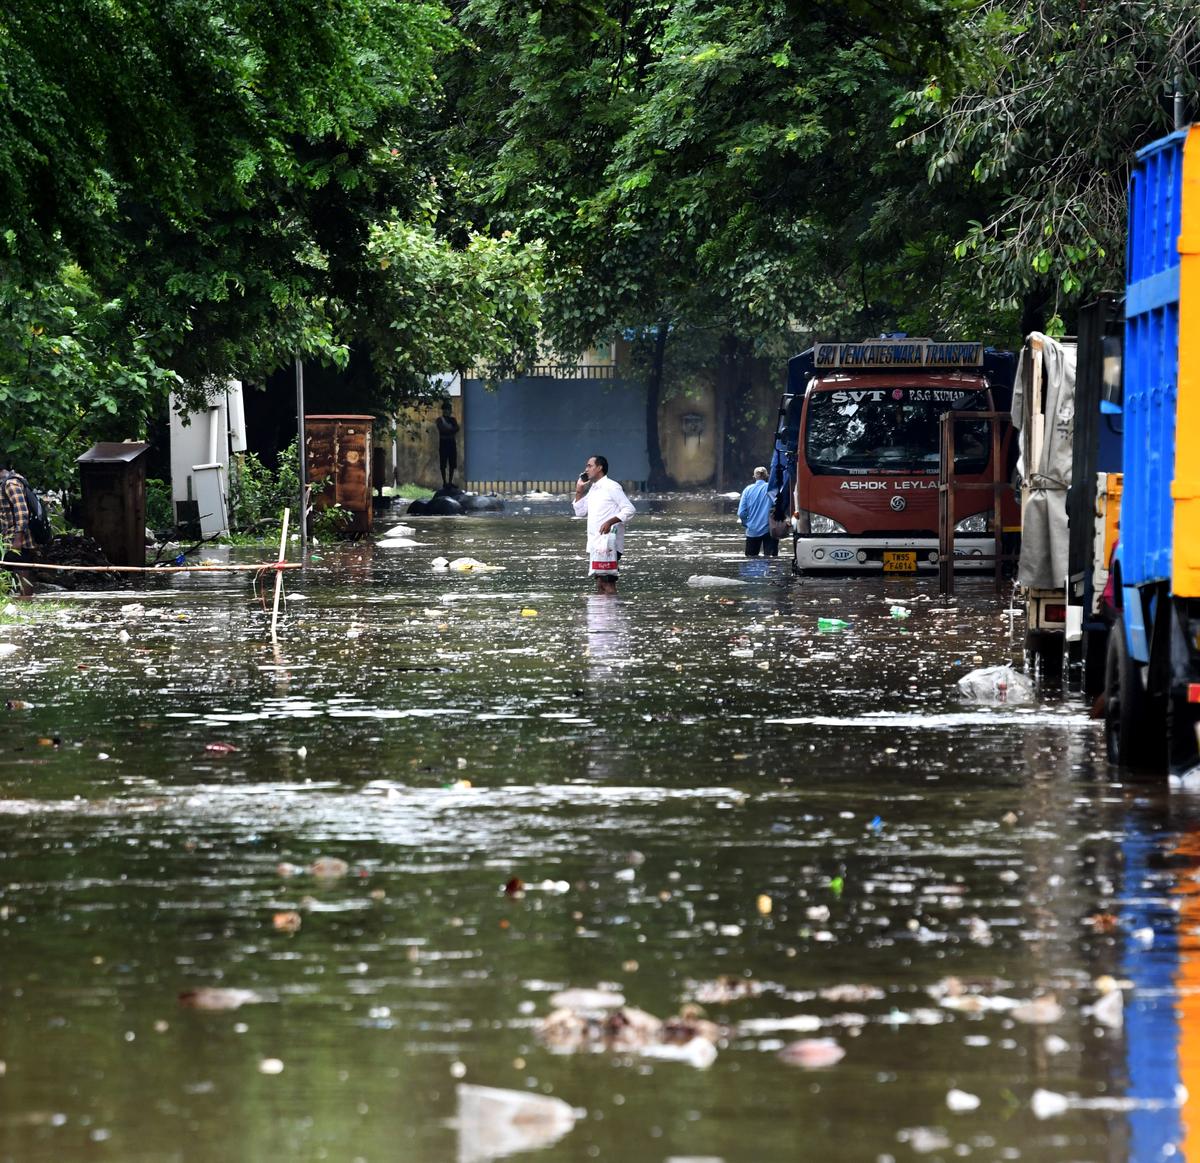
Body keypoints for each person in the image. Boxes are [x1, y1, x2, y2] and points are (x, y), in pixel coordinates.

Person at [573, 454, 636, 593]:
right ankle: (602, 614)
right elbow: (580, 512)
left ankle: (612, 612)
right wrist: (579, 490)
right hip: (596, 544)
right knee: (600, 583)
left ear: (599, 468)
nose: (586, 469)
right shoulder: (594, 489)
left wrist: (610, 521)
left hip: (609, 544)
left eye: (590, 466)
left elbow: (630, 509)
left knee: (608, 583)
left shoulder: (612, 486)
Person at [0, 467, 35, 595]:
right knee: (11, 574)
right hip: (7, 540)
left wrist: (18, 540)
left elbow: (21, 511)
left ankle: (27, 603)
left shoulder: (11, 484)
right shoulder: (5, 483)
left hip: (17, 540)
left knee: (22, 572)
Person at [737, 466, 778, 557]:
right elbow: (779, 506)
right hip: (769, 530)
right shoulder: (771, 488)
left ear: (754, 477)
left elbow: (741, 513)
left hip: (752, 530)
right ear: (767, 476)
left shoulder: (747, 490)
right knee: (771, 562)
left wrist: (747, 523)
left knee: (751, 561)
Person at [435, 400, 460, 489]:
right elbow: (442, 430)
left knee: (452, 463)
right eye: (445, 410)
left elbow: (457, 428)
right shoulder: (439, 420)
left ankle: (450, 482)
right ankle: (444, 482)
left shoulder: (453, 419)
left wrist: (448, 430)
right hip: (444, 443)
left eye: (448, 409)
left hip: (451, 443)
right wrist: (450, 430)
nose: (447, 411)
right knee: (443, 463)